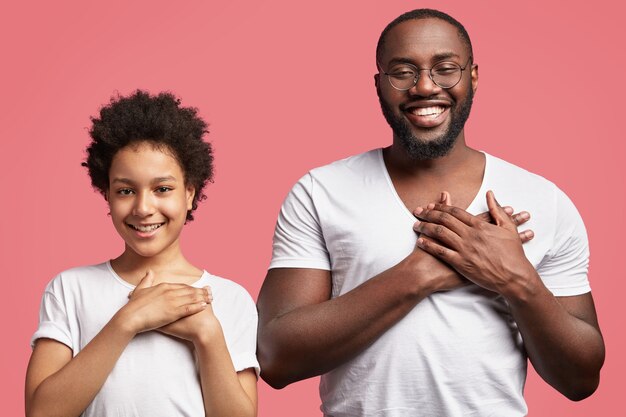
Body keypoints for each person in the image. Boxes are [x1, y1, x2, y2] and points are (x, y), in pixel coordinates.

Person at [257, 8, 604, 417]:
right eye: (403, 72)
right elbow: (274, 358)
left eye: (446, 69)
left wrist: (515, 279)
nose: (425, 86)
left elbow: (581, 380)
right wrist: (423, 272)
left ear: (472, 76)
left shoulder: (543, 199)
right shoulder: (321, 192)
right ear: (379, 84)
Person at [25, 90, 258, 417]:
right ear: (106, 194)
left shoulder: (231, 299)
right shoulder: (70, 289)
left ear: (190, 193)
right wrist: (129, 320)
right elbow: (41, 412)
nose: (143, 207)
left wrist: (207, 334)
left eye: (162, 189)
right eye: (125, 190)